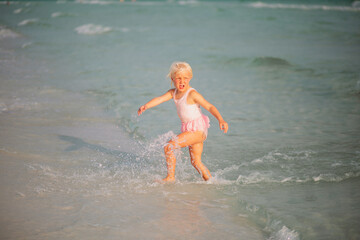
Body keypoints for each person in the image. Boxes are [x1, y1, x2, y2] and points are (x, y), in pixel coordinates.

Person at [138, 62, 228, 182]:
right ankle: (211, 182)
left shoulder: (192, 94)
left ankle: (170, 177)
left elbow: (209, 106)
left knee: (169, 147)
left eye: (185, 78)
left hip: (197, 130)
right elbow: (159, 99)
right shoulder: (173, 93)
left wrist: (221, 119)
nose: (182, 81)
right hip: (190, 129)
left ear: (190, 78)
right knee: (196, 162)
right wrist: (146, 106)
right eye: (178, 78)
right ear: (172, 79)